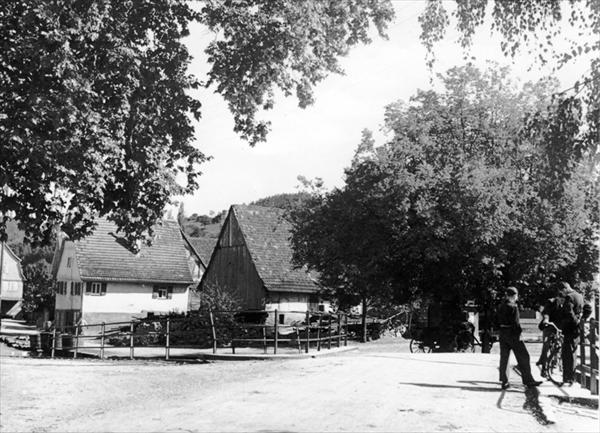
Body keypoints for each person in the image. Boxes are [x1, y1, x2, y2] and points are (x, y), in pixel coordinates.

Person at [496, 286, 542, 389]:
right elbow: (516, 323)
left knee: (504, 358)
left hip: (503, 333)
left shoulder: (500, 306)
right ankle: (528, 380)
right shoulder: (513, 307)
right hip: (513, 334)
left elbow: (495, 320)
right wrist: (519, 334)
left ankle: (504, 381)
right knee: (524, 356)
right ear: (514, 296)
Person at [557, 282, 585, 386]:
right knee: (572, 353)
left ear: (565, 289)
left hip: (570, 328)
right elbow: (584, 309)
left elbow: (568, 312)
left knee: (567, 354)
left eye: (562, 291)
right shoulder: (579, 296)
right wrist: (580, 320)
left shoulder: (569, 297)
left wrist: (575, 322)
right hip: (576, 329)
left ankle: (568, 379)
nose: (562, 294)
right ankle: (570, 378)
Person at [536, 291, 564, 376]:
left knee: (560, 344)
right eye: (561, 300)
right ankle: (544, 367)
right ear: (558, 298)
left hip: (559, 326)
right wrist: (546, 319)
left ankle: (556, 362)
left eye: (563, 300)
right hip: (549, 325)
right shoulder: (550, 302)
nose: (562, 302)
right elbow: (546, 313)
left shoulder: (566, 304)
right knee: (546, 345)